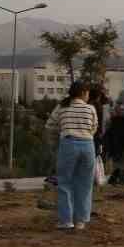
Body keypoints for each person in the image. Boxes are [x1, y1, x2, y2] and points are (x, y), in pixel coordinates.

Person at [44, 81, 99, 231]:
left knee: (64, 183)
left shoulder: (61, 106)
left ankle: (66, 220)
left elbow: (49, 126)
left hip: (68, 144)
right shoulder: (90, 108)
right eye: (87, 93)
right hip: (88, 146)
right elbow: (94, 128)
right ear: (82, 93)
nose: (88, 96)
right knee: (85, 184)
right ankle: (81, 221)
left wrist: (58, 137)